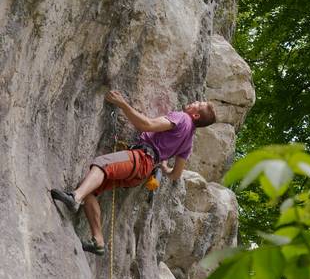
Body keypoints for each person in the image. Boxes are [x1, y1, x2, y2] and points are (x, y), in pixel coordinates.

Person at [51, 90, 216, 255]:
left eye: (198, 104)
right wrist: (164, 167)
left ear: (195, 116)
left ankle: (75, 198)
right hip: (142, 172)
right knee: (90, 191)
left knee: (102, 163)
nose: (195, 102)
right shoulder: (189, 142)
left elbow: (147, 125)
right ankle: (98, 241)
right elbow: (176, 175)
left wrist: (122, 103)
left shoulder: (182, 117)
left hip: (141, 158)